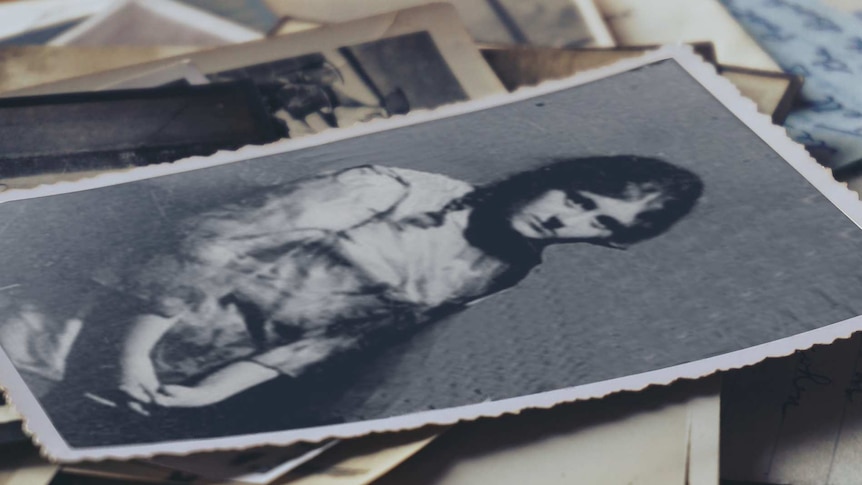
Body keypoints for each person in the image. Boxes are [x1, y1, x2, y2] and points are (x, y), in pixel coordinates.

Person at [5, 156, 703, 421]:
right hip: (71, 327)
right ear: (554, 176)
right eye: (577, 196)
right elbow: (206, 245)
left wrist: (218, 389)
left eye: (598, 222)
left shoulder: (505, 270)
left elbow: (350, 333)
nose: (566, 217)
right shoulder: (389, 189)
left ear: (613, 241)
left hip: (166, 375)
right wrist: (134, 351)